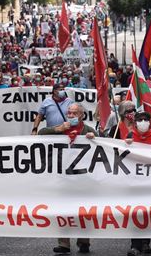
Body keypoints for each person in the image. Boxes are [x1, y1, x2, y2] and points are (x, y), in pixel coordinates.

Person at [38, 103, 95, 254]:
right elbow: (41, 133)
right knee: (63, 210)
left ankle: (84, 242)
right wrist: (58, 129)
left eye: (74, 113)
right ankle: (64, 243)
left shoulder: (88, 130)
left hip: (83, 177)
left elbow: (105, 144)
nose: (71, 115)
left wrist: (94, 138)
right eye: (69, 112)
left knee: (83, 211)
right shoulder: (60, 128)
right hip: (62, 176)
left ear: (81, 115)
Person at [123, 111, 151, 256]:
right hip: (135, 182)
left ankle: (146, 243)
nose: (142, 122)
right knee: (135, 213)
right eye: (139, 119)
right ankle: (135, 245)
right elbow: (122, 158)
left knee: (149, 213)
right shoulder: (130, 136)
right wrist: (126, 146)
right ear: (135, 122)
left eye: (145, 119)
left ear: (150, 121)